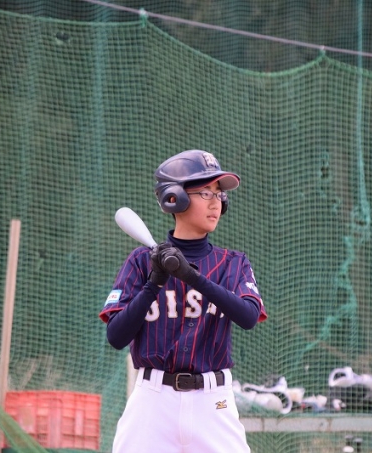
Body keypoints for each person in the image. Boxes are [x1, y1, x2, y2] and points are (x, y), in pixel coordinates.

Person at [99, 149, 267, 453]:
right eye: (205, 192)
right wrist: (154, 283)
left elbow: (248, 316)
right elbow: (116, 336)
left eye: (219, 194)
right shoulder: (142, 261)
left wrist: (192, 277)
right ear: (174, 197)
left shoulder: (233, 263)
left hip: (213, 403)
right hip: (152, 403)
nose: (216, 202)